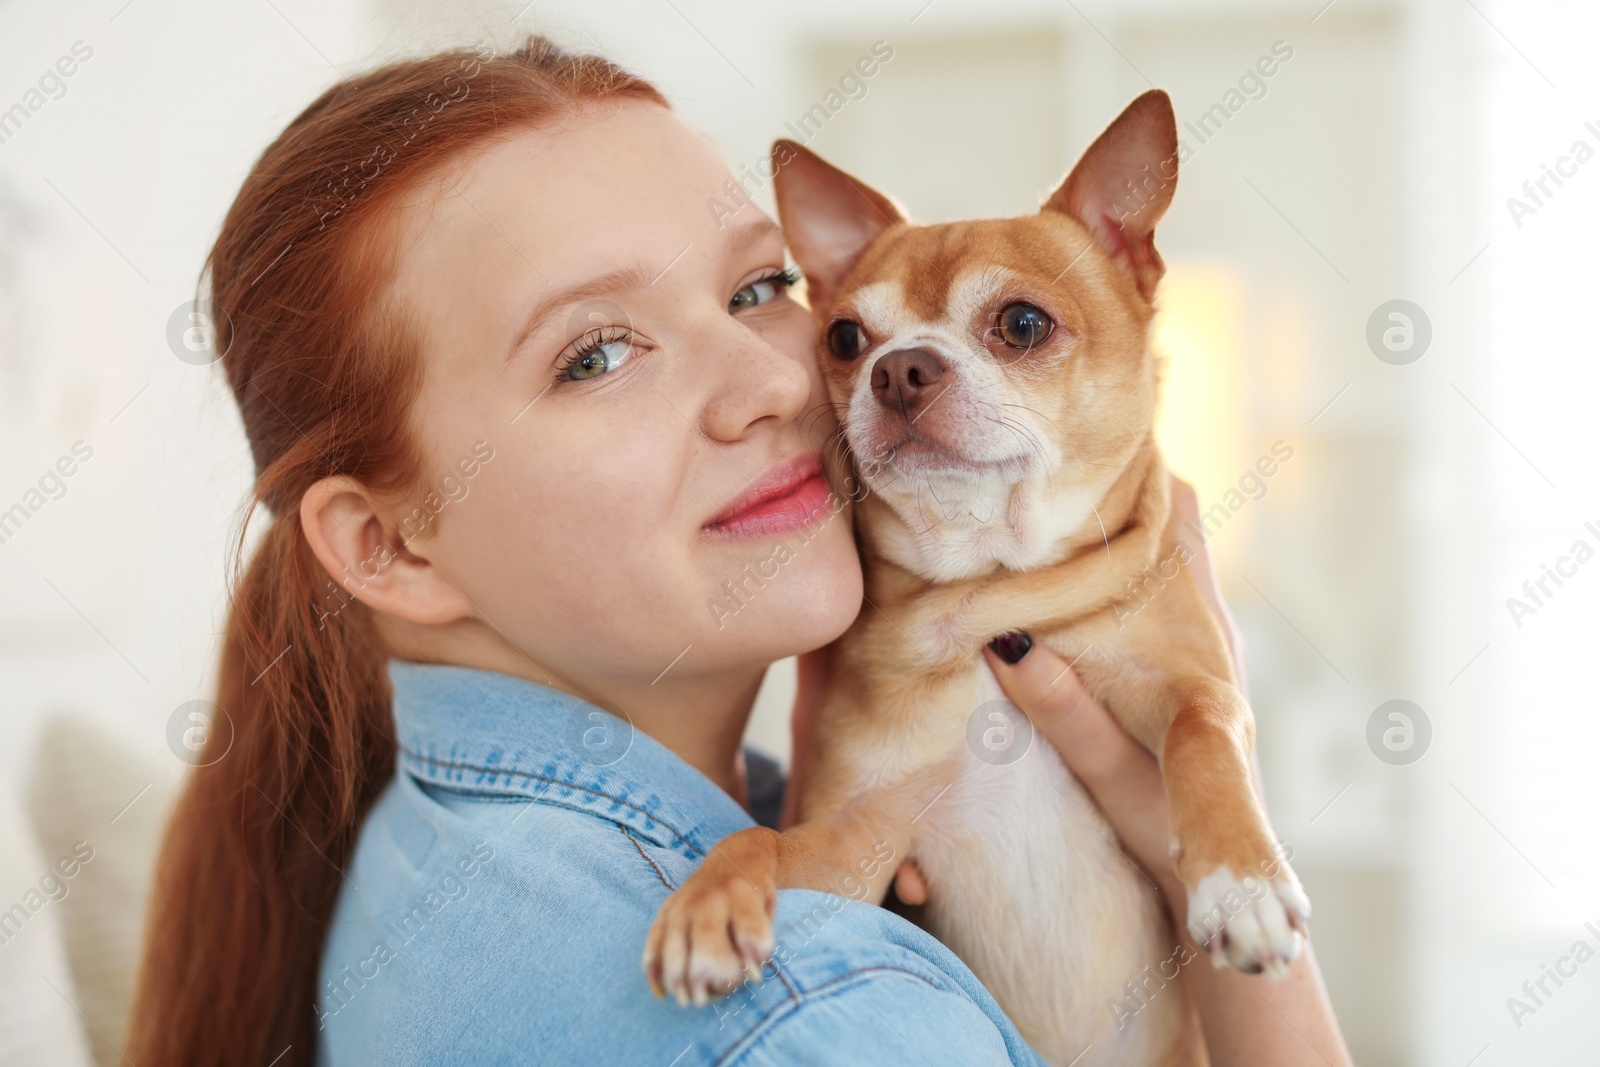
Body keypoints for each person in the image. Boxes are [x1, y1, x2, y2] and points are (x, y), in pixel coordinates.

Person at [126, 37, 1354, 1067]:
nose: (767, 382)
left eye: (763, 289)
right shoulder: (807, 1015)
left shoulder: (423, 843)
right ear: (388, 543)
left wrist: (1191, 812)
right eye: (594, 354)